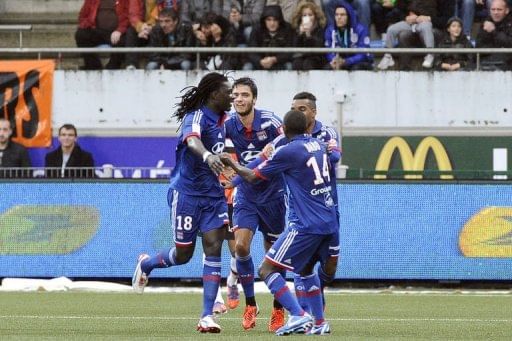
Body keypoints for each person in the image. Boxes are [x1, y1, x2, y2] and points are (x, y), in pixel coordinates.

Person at [220, 109, 338, 336]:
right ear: (306, 128)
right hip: (329, 221)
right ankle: (320, 321)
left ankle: (297, 315)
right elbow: (333, 156)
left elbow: (254, 175)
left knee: (267, 268)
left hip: (305, 224)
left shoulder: (287, 151)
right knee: (304, 269)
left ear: (283, 130)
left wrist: (233, 166)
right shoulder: (318, 146)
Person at [132, 72, 233, 334]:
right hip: (186, 195)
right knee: (184, 255)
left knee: (213, 248)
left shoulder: (225, 119)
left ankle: (206, 316)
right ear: (213, 95)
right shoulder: (196, 116)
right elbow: (191, 140)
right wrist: (208, 155)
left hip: (212, 195)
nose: (231, 96)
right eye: (227, 92)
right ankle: (146, 264)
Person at [224, 77, 286, 332]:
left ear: (254, 99)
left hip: (273, 196)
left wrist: (276, 148)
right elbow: (215, 147)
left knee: (275, 257)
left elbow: (290, 140)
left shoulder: (270, 121)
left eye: (245, 95)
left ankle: (279, 308)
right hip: (247, 196)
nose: (239, 99)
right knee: (240, 246)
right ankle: (250, 304)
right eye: (236, 95)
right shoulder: (227, 125)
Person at [378, 0, 456, 70]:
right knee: (395, 31)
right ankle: (389, 57)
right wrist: (406, 17)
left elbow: (447, 19)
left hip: (432, 25)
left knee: (428, 29)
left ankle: (430, 56)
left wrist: (429, 18)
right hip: (412, 22)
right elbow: (399, 10)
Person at [75, 0, 130, 70]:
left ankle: (111, 68)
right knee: (81, 35)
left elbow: (129, 16)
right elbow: (82, 16)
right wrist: (88, 24)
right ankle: (95, 68)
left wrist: (119, 30)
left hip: (115, 32)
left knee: (124, 40)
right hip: (96, 30)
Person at [324, 0, 373, 70]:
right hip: (341, 61)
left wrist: (347, 61)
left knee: (355, 68)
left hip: (360, 62)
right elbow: (328, 52)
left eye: (342, 15)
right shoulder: (330, 30)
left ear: (349, 16)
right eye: (336, 15)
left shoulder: (361, 30)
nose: (339, 17)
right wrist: (334, 60)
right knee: (327, 68)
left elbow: (362, 54)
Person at [245, 5, 295, 70]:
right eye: (269, 20)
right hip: (260, 63)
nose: (272, 23)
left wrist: (275, 59)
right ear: (264, 20)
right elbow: (251, 52)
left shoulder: (287, 29)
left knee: (289, 66)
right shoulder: (257, 29)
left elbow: (290, 51)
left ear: (280, 20)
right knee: (247, 67)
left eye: (275, 20)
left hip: (280, 63)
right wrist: (260, 61)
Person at [291, 0, 328, 70]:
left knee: (308, 63)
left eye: (310, 15)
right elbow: (294, 47)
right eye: (304, 15)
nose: (307, 17)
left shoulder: (320, 28)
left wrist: (308, 35)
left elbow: (319, 46)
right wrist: (300, 34)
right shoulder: (297, 28)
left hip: (317, 58)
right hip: (301, 56)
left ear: (315, 16)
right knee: (297, 63)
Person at [476, 0, 512, 70]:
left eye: (499, 10)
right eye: (493, 9)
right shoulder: (486, 23)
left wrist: (494, 31)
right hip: (487, 62)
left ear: (507, 10)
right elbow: (479, 45)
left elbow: (510, 43)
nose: (495, 12)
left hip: (507, 65)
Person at [125, 0, 161, 69]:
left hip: (155, 27)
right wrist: (141, 27)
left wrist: (150, 27)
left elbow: (163, 14)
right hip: (141, 30)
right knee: (130, 31)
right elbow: (133, 15)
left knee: (158, 30)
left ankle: (154, 62)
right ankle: (131, 65)